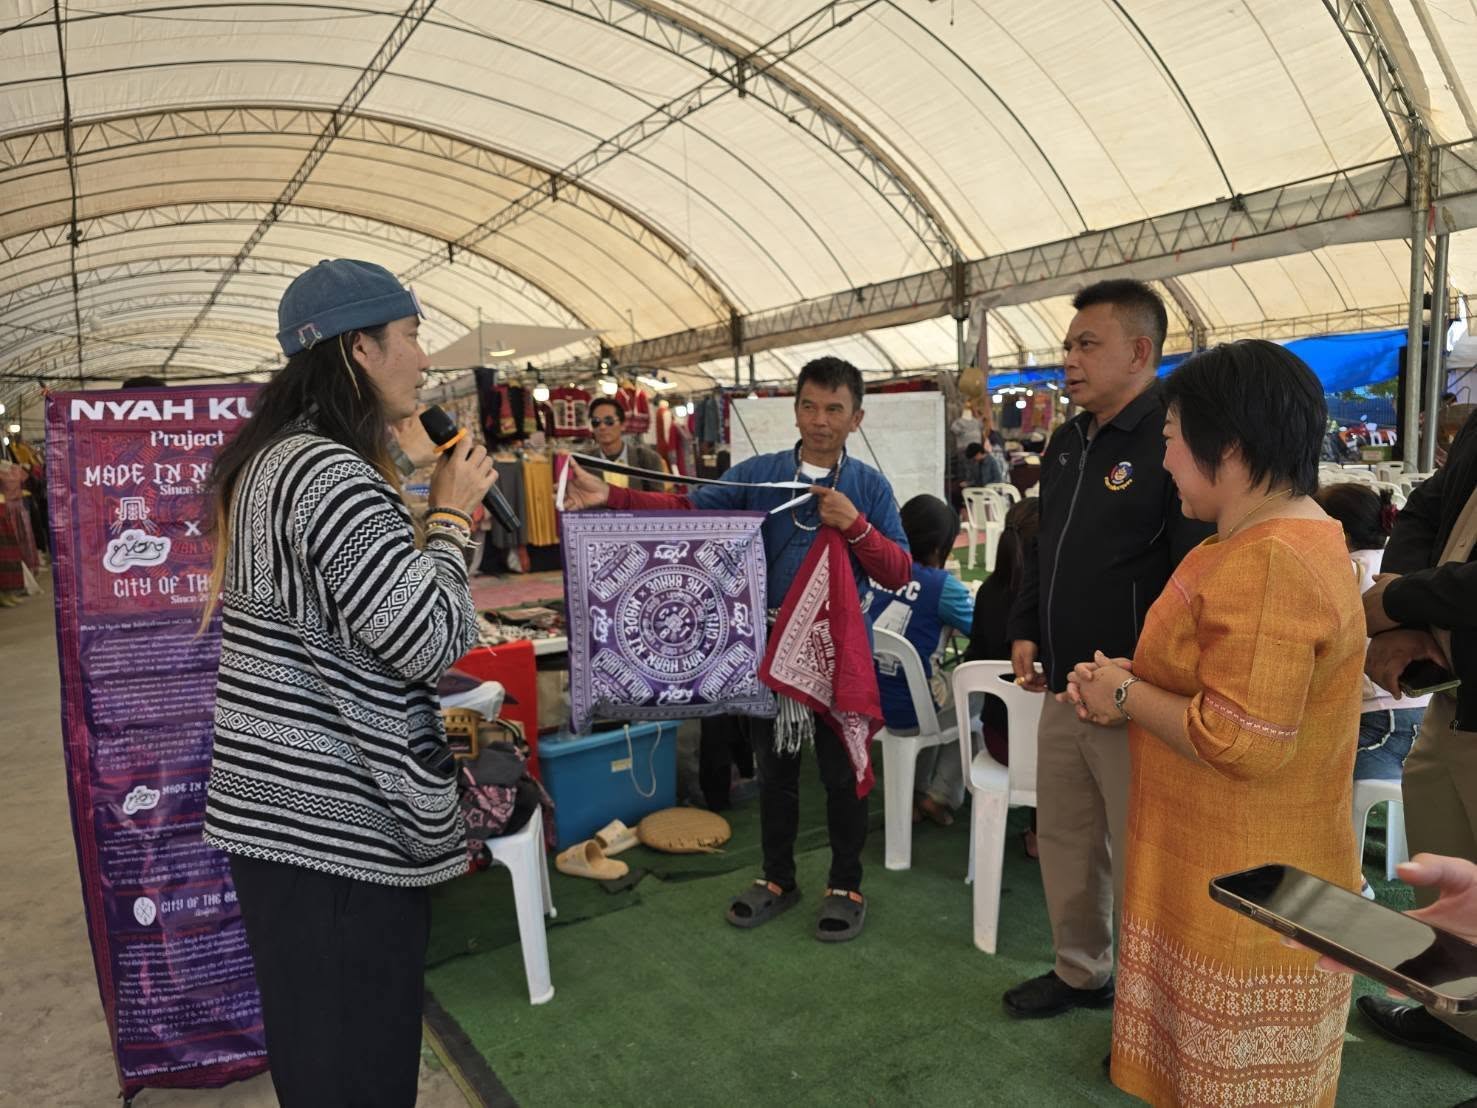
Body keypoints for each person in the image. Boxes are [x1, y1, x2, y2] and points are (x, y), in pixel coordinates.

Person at [201, 259, 496, 1106]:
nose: (423, 357)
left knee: (323, 1061)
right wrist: (448, 515)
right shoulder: (326, 472)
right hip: (331, 833)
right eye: (408, 336)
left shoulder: (281, 461)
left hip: (291, 829)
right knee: (355, 1069)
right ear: (359, 350)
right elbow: (424, 638)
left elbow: (353, 612)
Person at [1064, 339, 1364, 1105]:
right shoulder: (1270, 539)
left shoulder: (1270, 559)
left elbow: (1242, 738)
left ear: (1224, 447)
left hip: (1247, 881)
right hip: (1220, 863)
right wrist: (1131, 678)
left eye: (1168, 440)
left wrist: (1124, 698)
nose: (1163, 461)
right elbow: (1224, 682)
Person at [561, 356, 909, 942]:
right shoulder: (762, 472)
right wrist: (612, 498)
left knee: (841, 774)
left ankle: (846, 884)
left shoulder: (868, 486)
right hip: (768, 650)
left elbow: (898, 569)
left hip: (835, 653)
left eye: (834, 409)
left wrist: (854, 525)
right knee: (776, 775)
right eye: (809, 406)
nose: (819, 420)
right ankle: (778, 878)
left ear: (857, 417)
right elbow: (687, 509)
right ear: (795, 409)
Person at [1002, 278, 1210, 1020]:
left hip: (1134, 699)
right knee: (1063, 836)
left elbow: (1192, 577)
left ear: (1140, 350)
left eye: (1087, 344)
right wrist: (1025, 624)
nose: (1069, 360)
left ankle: (1151, 1006)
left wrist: (1138, 681)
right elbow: (1041, 547)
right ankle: (1080, 971)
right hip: (1065, 685)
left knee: (1141, 856)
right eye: (1067, 345)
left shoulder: (1172, 440)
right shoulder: (1065, 442)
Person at [1359, 405, 1477, 1070]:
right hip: (1451, 691)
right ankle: (1457, 1020)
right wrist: (1397, 604)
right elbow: (1425, 505)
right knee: (1445, 862)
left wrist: (1401, 604)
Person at [862, 494, 976, 825]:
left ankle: (913, 791)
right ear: (942, 546)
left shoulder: (872, 570)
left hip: (865, 699)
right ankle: (939, 795)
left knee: (931, 684)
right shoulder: (942, 586)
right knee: (976, 694)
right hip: (909, 707)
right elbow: (983, 630)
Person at [1313, 483, 1429, 790]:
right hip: (1428, 714)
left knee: (1319, 775)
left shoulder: (1346, 570)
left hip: (1380, 720)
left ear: (1340, 534)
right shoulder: (1399, 567)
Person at [963, 497, 1041, 855]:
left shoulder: (986, 593)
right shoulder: (1056, 600)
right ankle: (1042, 833)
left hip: (1000, 743)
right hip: (1052, 753)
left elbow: (973, 658)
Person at [578, 395, 668, 492]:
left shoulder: (647, 459)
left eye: (609, 421)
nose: (602, 427)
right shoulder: (584, 462)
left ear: (623, 425)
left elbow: (658, 501)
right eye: (596, 422)